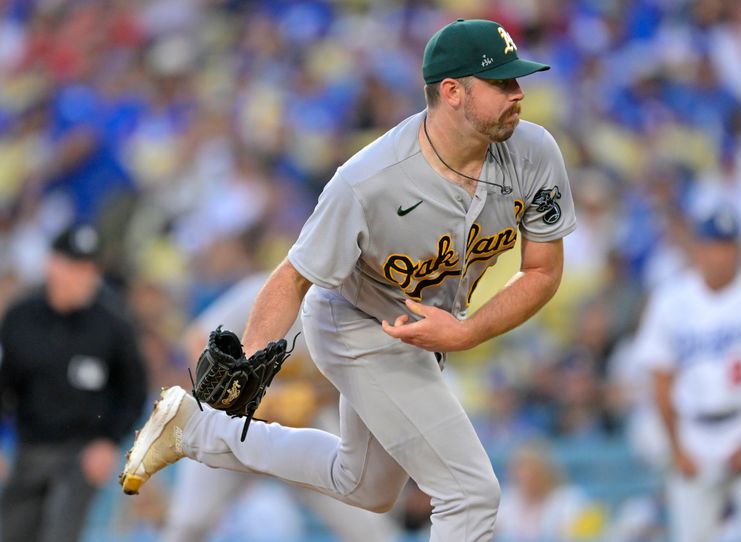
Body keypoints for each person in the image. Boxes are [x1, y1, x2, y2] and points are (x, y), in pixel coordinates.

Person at [120, 18, 576, 541]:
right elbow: (292, 276)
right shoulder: (369, 180)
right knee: (470, 494)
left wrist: (468, 332)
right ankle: (198, 424)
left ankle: (194, 429)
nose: (519, 93)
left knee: (365, 486)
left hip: (421, 329)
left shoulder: (534, 152)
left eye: (518, 81)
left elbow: (542, 270)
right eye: (502, 83)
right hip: (356, 321)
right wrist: (248, 357)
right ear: (452, 92)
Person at [163, 272, 398, 541]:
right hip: (232, 420)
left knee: (369, 528)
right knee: (188, 525)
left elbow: (358, 385)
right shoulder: (266, 289)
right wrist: (242, 395)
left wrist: (313, 397)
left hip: (304, 426)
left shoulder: (361, 315)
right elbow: (197, 339)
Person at [635, 206, 741, 542]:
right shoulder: (671, 299)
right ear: (698, 248)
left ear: (739, 249)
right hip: (694, 431)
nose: (721, 255)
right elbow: (660, 378)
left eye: (728, 246)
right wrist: (677, 446)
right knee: (692, 536)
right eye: (713, 245)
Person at [0, 224, 148, 542]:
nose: (85, 278)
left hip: (81, 454)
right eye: (76, 267)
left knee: (59, 534)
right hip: (30, 449)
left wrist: (109, 441)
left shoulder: (113, 325)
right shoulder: (21, 318)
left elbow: (133, 390)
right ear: (52, 266)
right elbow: (4, 384)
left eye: (90, 268)